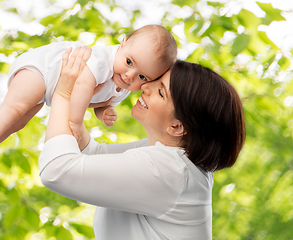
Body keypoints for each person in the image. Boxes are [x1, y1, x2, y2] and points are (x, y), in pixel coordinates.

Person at [39, 47, 245, 239]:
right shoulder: (168, 156)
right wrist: (79, 100)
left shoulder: (170, 171)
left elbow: (55, 170)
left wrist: (63, 92)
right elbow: (93, 154)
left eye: (161, 91)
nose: (145, 86)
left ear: (177, 127)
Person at [0, 25, 177, 179]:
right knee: (14, 109)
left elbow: (96, 100)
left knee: (19, 122)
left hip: (50, 90)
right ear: (122, 45)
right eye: (129, 62)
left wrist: (104, 112)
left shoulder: (122, 84)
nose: (130, 75)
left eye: (142, 77)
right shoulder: (102, 60)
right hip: (42, 69)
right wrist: (75, 122)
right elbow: (83, 86)